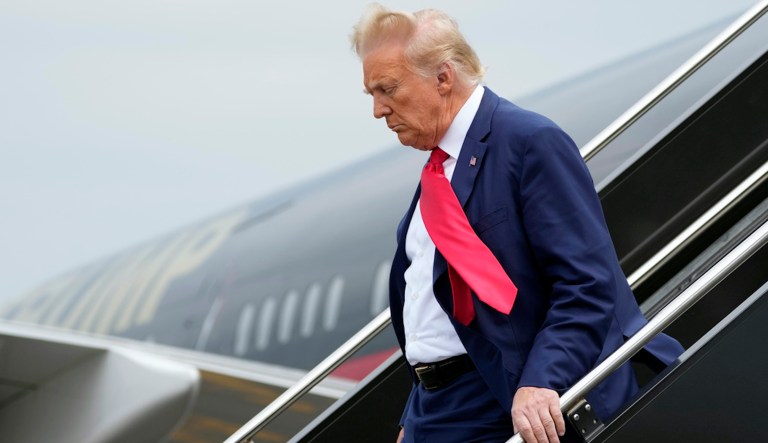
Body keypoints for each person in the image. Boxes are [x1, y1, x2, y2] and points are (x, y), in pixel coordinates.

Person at [351, 5, 684, 443]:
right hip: (434, 412)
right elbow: (434, 314)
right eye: (372, 93)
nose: (378, 110)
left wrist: (542, 380)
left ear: (443, 77)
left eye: (388, 89)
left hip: (503, 401)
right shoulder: (437, 174)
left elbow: (587, 283)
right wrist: (413, 419)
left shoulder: (528, 142)